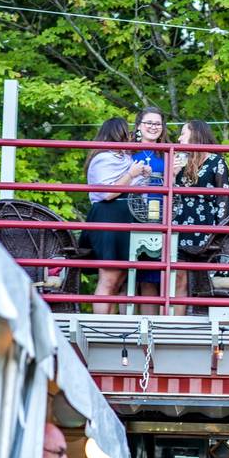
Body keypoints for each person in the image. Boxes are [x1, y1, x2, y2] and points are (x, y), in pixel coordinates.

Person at [78, 118, 150, 315]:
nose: (130, 136)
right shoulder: (102, 158)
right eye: (126, 132)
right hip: (108, 216)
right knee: (109, 277)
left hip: (125, 216)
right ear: (117, 134)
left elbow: (133, 187)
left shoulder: (124, 158)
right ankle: (100, 326)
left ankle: (112, 325)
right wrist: (132, 173)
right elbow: (107, 193)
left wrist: (143, 174)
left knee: (120, 278)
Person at [171, 120, 229, 314]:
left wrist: (220, 233)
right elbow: (168, 194)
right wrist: (172, 174)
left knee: (203, 279)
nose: (179, 138)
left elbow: (224, 199)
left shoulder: (216, 161)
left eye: (183, 133)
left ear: (196, 135)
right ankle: (174, 327)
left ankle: (202, 327)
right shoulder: (179, 160)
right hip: (179, 225)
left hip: (206, 228)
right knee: (178, 277)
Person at [132, 106, 169, 313]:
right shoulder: (128, 151)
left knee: (152, 277)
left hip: (158, 217)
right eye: (149, 123)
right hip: (132, 214)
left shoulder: (166, 153)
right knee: (125, 277)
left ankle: (155, 330)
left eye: (158, 124)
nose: (153, 127)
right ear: (139, 126)